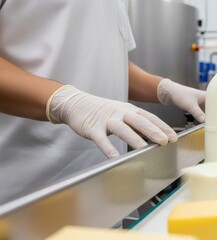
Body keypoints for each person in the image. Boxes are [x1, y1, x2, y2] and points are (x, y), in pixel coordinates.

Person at [0, 0, 205, 204]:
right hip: (26, 195)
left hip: (109, 191)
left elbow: (108, 63)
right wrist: (64, 101)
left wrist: (164, 89)